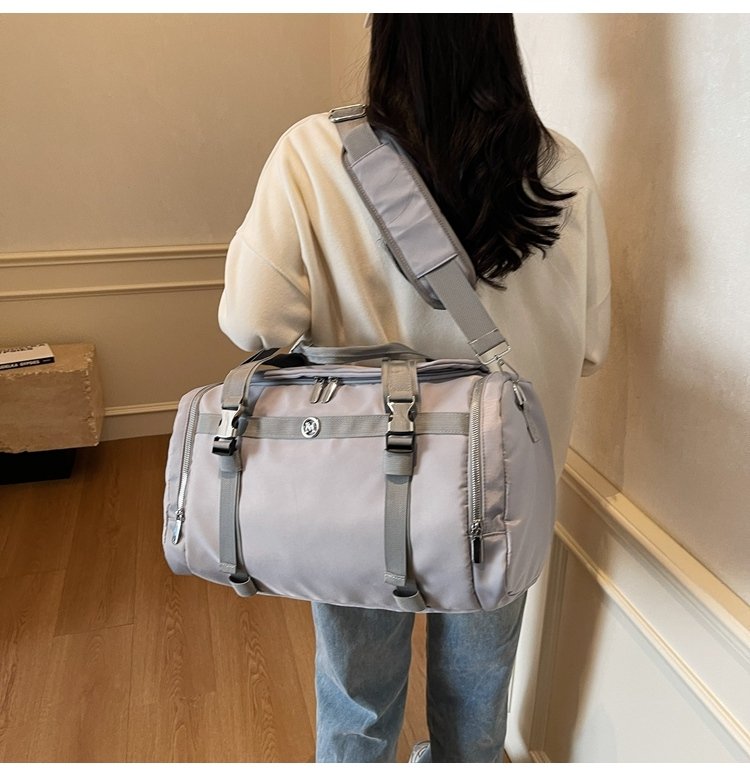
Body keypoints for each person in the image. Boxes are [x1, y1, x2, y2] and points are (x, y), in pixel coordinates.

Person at [218, 13, 610, 764]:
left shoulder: (313, 153)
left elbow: (251, 320)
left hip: (360, 482)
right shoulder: (561, 167)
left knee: (357, 703)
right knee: (477, 710)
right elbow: (589, 348)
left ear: (390, 35)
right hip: (504, 489)